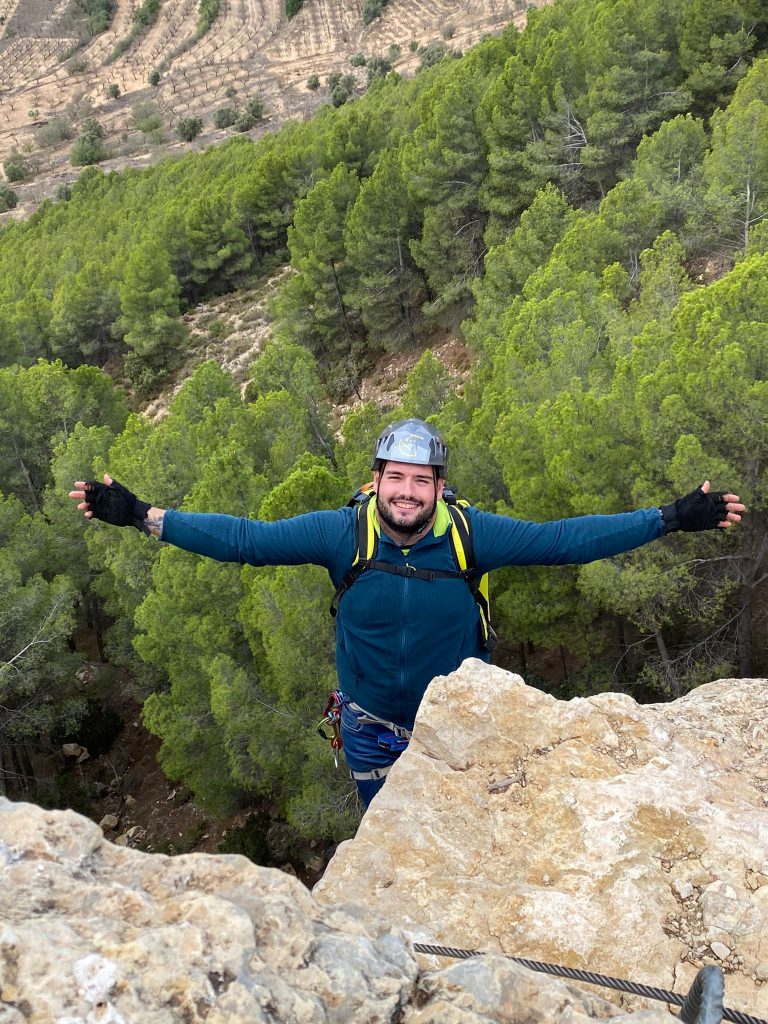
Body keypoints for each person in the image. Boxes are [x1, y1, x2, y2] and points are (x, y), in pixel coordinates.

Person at [69, 418, 745, 806]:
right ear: (376, 481)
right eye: (396, 477)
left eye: (421, 481)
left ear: (439, 489)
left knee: (468, 824)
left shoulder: (470, 534)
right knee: (388, 832)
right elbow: (248, 540)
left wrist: (669, 519)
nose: (406, 492)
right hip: (368, 726)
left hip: (458, 723)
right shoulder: (343, 532)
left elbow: (565, 540)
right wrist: (144, 518)